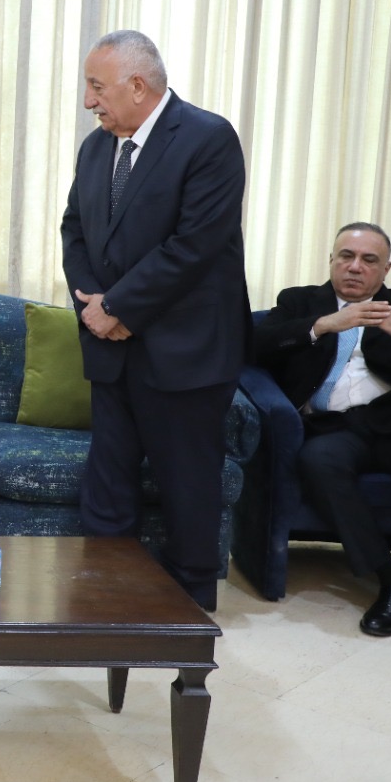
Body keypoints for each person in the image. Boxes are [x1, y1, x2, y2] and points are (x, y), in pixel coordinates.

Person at [59, 30, 250, 611]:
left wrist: (117, 308)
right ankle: (105, 602)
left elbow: (193, 246)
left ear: (137, 85)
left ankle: (186, 616)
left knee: (188, 488)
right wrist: (94, 310)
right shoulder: (96, 149)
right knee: (107, 488)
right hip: (112, 351)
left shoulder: (208, 139)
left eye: (97, 87)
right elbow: (74, 231)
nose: (89, 101)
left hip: (184, 353)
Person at [254, 223, 391, 658]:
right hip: (335, 427)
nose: (355, 267)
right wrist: (322, 325)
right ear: (332, 260)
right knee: (318, 460)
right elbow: (253, 348)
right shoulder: (299, 302)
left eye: (368, 260)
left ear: (385, 269)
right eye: (346, 256)